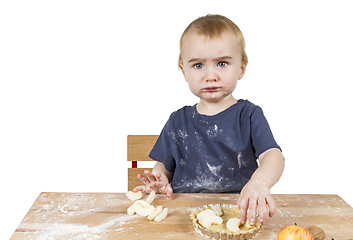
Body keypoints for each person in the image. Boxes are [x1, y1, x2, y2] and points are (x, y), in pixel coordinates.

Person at [133, 14, 285, 226]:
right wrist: (160, 180)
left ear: (241, 68)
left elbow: (273, 155)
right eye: (198, 65)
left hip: (238, 214)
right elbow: (164, 166)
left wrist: (259, 182)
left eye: (222, 63)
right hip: (182, 216)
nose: (210, 75)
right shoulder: (178, 120)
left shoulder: (249, 115)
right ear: (183, 70)